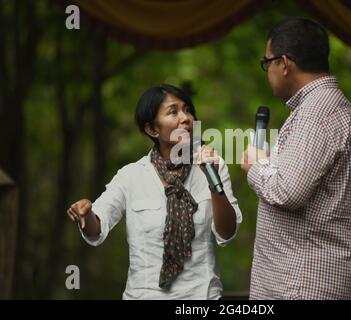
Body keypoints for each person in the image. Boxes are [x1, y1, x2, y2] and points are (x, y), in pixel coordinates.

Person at [67, 84, 242, 299]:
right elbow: (98, 226)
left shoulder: (213, 165)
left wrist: (214, 184)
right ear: (152, 129)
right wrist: (86, 215)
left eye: (187, 110)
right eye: (173, 111)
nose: (185, 118)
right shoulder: (131, 176)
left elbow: (227, 232)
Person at [241, 17, 351, 299]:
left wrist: (255, 166)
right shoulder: (333, 108)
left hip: (302, 284)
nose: (268, 70)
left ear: (284, 64)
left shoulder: (316, 114)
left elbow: (289, 192)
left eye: (267, 63)